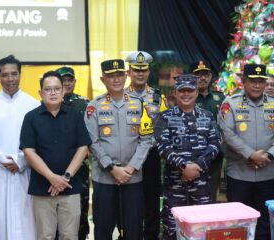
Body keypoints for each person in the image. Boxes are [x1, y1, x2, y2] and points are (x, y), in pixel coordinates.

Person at [84, 59, 152, 240]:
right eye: (110, 76)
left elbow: (146, 140)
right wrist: (113, 168)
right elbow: (93, 142)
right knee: (103, 229)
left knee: (134, 228)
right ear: (102, 79)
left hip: (133, 177)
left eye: (119, 75)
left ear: (126, 76)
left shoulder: (139, 104)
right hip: (104, 178)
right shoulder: (94, 106)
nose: (116, 79)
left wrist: (130, 169)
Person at [20, 71, 91, 240]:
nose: (53, 93)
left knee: (70, 235)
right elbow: (28, 151)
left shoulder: (74, 116)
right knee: (45, 236)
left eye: (57, 89)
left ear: (63, 91)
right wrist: (52, 177)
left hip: (70, 186)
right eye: (48, 89)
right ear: (40, 93)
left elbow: (83, 148)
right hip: (42, 187)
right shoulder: (31, 118)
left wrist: (65, 177)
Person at [0, 55, 39, 240]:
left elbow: (37, 139)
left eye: (14, 74)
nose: (10, 79)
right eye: (5, 75)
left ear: (20, 75)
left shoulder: (33, 104)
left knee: (26, 219)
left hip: (25, 171)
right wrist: (5, 160)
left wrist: (20, 161)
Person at [154, 74, 220, 240]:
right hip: (175, 186)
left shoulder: (207, 116)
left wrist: (197, 166)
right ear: (175, 93)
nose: (185, 94)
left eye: (189, 90)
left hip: (201, 184)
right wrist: (184, 166)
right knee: (172, 228)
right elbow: (163, 146)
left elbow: (214, 144)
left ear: (196, 92)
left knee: (202, 228)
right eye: (181, 90)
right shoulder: (165, 117)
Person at [218, 64, 274, 240]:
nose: (257, 85)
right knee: (239, 222)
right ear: (243, 81)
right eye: (252, 81)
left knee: (266, 222)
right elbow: (227, 134)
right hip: (239, 174)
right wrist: (252, 154)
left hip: (268, 173)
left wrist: (268, 155)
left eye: (260, 81)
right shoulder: (231, 104)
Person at [125, 51, 166, 240]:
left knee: (151, 200)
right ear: (129, 72)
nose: (140, 74)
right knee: (128, 202)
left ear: (149, 72)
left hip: (150, 156)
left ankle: (151, 236)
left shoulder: (158, 97)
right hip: (128, 157)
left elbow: (164, 127)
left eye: (144, 70)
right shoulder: (120, 96)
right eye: (136, 70)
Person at [56, 66, 90, 240]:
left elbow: (91, 136)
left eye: (70, 80)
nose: (67, 83)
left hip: (79, 169)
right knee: (54, 210)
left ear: (75, 82)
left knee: (80, 210)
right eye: (63, 80)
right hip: (53, 168)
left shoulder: (84, 103)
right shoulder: (49, 102)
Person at [190, 60, 225, 202]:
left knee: (210, 196)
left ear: (210, 77)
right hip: (193, 156)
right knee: (192, 195)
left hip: (214, 157)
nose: (202, 78)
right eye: (198, 75)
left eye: (205, 74)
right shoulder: (187, 98)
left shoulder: (220, 98)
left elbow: (226, 125)